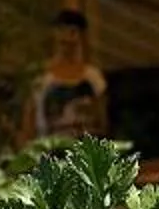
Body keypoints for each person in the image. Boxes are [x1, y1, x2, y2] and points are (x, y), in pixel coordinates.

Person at [30, 8, 112, 141]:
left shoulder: (93, 77)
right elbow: (30, 122)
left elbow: (103, 120)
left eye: (72, 32)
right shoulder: (41, 78)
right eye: (61, 31)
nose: (66, 38)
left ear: (81, 37)